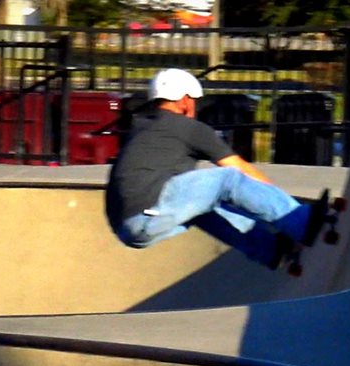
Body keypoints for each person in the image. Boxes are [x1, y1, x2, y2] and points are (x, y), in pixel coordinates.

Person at [105, 68, 319, 269]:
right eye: (194, 101)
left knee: (204, 206)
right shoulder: (188, 128)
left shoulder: (141, 128)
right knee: (227, 179)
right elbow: (240, 170)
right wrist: (291, 207)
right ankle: (303, 221)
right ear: (184, 100)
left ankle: (274, 251)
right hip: (149, 212)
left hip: (126, 227)